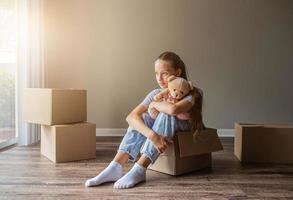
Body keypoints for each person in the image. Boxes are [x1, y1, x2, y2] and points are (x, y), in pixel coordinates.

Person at [85, 51, 204, 189]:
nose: (159, 78)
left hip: (186, 131)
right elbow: (131, 116)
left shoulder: (192, 92)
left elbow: (173, 110)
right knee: (144, 118)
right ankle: (115, 167)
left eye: (164, 73)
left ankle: (140, 169)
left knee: (166, 114)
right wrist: (152, 136)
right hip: (161, 134)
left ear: (177, 72)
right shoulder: (156, 93)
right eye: (156, 73)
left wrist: (154, 105)